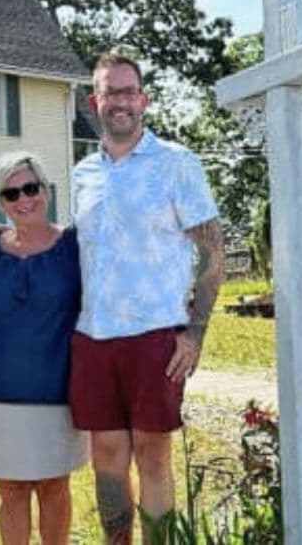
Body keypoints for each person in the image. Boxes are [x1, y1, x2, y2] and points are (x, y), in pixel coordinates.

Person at [69, 53, 225, 542]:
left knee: (153, 459)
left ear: (144, 100)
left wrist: (195, 332)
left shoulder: (176, 163)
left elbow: (212, 249)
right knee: (107, 460)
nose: (119, 101)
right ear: (94, 102)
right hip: (93, 338)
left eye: (127, 91)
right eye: (108, 92)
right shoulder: (82, 174)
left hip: (155, 337)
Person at [0, 151, 89, 544]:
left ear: (46, 190)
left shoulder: (75, 246)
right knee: (11, 491)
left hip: (57, 390)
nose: (23, 200)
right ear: (0, 203)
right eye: (11, 194)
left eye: (30, 188)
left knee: (54, 487)